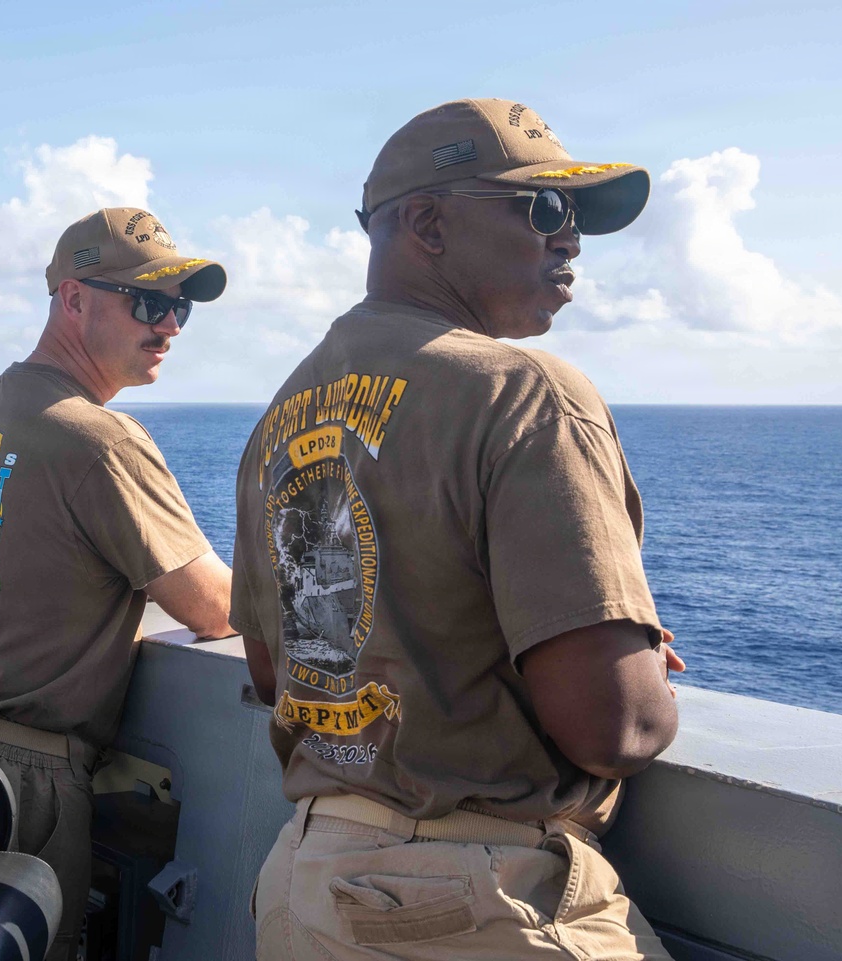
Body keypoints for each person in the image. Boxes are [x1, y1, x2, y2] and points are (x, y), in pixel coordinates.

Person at [231, 98, 686, 960]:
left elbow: (274, 665)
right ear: (429, 225)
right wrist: (643, 674)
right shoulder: (525, 392)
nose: (571, 238)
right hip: (473, 902)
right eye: (544, 207)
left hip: (306, 882)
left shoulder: (280, 414)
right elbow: (612, 727)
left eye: (576, 215)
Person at [0, 207, 233, 960]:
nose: (169, 324)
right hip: (22, 785)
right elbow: (214, 609)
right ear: (74, 299)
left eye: (179, 306)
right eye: (148, 301)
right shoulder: (100, 439)